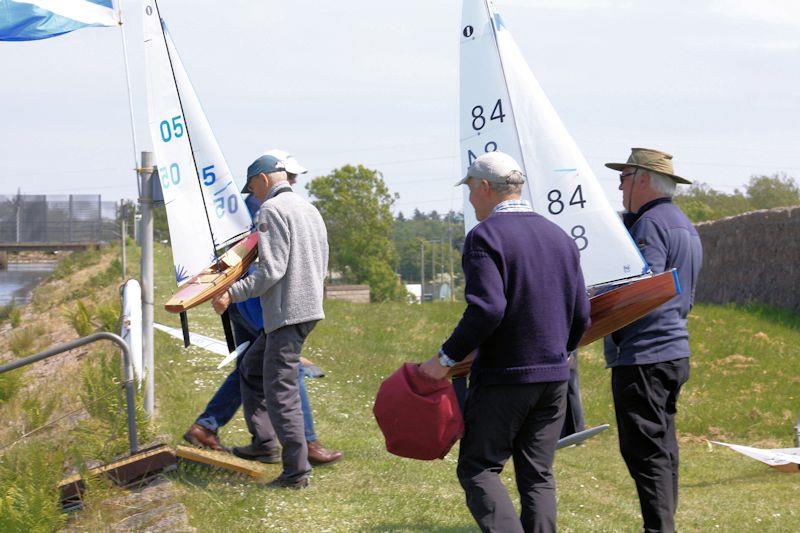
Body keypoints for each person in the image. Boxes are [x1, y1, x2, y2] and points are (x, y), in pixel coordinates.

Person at [420, 151, 590, 532]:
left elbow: (487, 309)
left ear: (484, 187)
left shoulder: (485, 237)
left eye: (470, 190)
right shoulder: (560, 237)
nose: (469, 199)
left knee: (479, 468)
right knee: (538, 474)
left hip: (506, 376)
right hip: (554, 377)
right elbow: (581, 314)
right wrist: (559, 354)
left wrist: (445, 358)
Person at [183, 151, 342, 467]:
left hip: (260, 299)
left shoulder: (273, 205)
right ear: (269, 178)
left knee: (259, 368)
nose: (295, 182)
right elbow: (274, 268)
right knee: (277, 369)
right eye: (292, 176)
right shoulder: (276, 206)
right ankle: (298, 449)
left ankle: (229, 431)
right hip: (260, 302)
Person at [604, 148, 702, 532]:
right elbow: (686, 295)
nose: (620, 185)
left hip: (644, 353)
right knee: (663, 447)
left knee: (644, 451)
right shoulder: (682, 223)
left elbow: (645, 288)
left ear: (643, 179)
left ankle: (659, 528)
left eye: (624, 177)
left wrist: (606, 317)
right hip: (674, 349)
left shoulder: (649, 225)